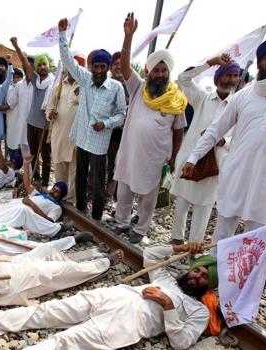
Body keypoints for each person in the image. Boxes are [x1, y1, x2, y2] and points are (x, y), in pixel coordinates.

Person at [182, 34, 266, 249]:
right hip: (237, 174)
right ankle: (213, 277)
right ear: (260, 62)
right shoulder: (244, 95)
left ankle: (241, 282)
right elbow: (214, 131)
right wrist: (193, 158)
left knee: (255, 240)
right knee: (223, 235)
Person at [0, 243, 213, 350]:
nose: (196, 276)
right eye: (196, 269)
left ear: (209, 285)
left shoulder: (198, 310)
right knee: (49, 310)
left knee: (65, 341)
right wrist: (180, 248)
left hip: (126, 322)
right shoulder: (167, 279)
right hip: (110, 297)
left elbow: (182, 342)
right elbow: (153, 255)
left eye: (203, 276)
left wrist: (168, 306)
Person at [114, 13, 187, 243]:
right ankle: (122, 223)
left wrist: (174, 158)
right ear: (149, 72)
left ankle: (141, 230)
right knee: (123, 192)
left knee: (148, 198)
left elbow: (178, 131)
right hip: (130, 153)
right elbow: (124, 66)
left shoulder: (176, 100)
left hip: (155, 159)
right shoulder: (138, 87)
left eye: (163, 71)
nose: (160, 74)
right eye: (156, 70)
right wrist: (128, 37)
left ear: (169, 73)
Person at [169, 53, 241, 245]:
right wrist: (211, 63)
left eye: (235, 76)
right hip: (191, 159)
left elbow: (240, 138)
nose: (231, 80)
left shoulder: (238, 105)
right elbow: (183, 78)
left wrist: (223, 141)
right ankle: (176, 239)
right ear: (218, 78)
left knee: (205, 205)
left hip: (215, 163)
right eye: (228, 75)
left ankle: (194, 246)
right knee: (182, 199)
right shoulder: (202, 98)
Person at [58, 21, 126, 221]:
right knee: (80, 176)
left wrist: (105, 124)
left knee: (98, 181)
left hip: (99, 143)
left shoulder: (116, 88)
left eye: (102, 66)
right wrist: (62, 34)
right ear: (91, 67)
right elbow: (68, 60)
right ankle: (81, 211)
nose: (98, 69)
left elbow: (122, 115)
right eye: (95, 66)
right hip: (82, 138)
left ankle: (96, 217)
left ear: (107, 68)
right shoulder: (85, 79)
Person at [11, 38, 55, 185]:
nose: (42, 67)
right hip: (32, 123)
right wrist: (16, 46)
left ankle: (45, 183)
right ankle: (36, 178)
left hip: (46, 125)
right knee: (33, 153)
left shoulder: (54, 82)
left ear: (48, 67)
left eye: (44, 64)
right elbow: (24, 63)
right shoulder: (34, 79)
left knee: (46, 156)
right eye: (39, 64)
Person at [45, 69, 80, 205]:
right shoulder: (58, 88)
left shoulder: (84, 87)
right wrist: (50, 114)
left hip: (76, 137)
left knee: (75, 169)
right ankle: (59, 196)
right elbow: (49, 109)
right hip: (59, 134)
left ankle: (71, 200)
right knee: (60, 166)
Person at [106, 51, 127, 196]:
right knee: (103, 163)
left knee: (118, 164)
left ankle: (112, 194)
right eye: (115, 64)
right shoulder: (106, 84)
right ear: (110, 67)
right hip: (105, 131)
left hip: (122, 135)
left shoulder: (132, 87)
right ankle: (99, 191)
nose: (118, 67)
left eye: (122, 63)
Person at [5, 68, 25, 157]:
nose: (16, 79)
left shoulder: (25, 88)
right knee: (11, 141)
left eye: (18, 77)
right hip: (11, 119)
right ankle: (12, 163)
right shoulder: (9, 89)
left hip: (22, 121)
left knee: (21, 143)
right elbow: (8, 103)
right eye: (14, 77)